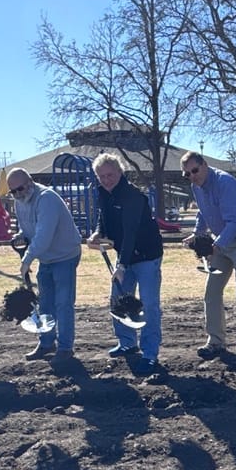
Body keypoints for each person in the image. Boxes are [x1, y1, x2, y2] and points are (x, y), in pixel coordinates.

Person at [180, 151, 236, 363]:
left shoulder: (225, 183)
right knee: (212, 292)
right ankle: (216, 341)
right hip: (222, 242)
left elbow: (235, 221)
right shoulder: (196, 186)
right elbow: (203, 212)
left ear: (205, 165)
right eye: (187, 174)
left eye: (195, 170)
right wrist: (197, 234)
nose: (192, 176)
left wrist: (215, 246)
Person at [87, 153, 164, 375]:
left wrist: (121, 266)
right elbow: (103, 217)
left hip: (147, 256)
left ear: (120, 172)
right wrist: (98, 233)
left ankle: (150, 354)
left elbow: (130, 233)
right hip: (125, 255)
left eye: (110, 175)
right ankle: (127, 342)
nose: (106, 180)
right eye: (101, 176)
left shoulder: (133, 196)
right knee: (118, 300)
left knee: (149, 305)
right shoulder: (103, 193)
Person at [7, 167, 82, 362]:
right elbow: (29, 228)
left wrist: (27, 259)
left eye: (20, 189)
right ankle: (47, 343)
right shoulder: (19, 202)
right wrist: (21, 236)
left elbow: (44, 235)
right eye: (13, 191)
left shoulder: (47, 199)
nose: (17, 194)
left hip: (65, 255)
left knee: (63, 302)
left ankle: (65, 348)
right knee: (45, 303)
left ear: (30, 182)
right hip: (46, 257)